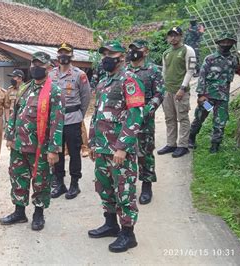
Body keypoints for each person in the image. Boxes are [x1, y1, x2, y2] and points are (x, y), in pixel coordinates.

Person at [87, 41, 145, 253]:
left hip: (119, 150)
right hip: (102, 149)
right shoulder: (103, 82)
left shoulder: (130, 80)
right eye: (104, 54)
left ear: (121, 57)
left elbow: (135, 115)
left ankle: (128, 234)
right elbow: (97, 115)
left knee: (124, 190)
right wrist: (93, 143)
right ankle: (110, 224)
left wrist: (122, 147)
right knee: (104, 188)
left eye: (111, 54)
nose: (106, 57)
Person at [0, 51, 64, 231]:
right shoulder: (24, 88)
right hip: (19, 145)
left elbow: (57, 122)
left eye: (40, 65)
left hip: (40, 147)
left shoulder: (54, 91)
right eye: (33, 64)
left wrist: (53, 149)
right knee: (18, 177)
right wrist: (10, 136)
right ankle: (19, 212)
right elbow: (14, 113)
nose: (36, 68)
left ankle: (38, 213)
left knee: (41, 181)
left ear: (49, 68)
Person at [189, 32, 240, 153]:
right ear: (219, 43)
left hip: (222, 99)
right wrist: (201, 95)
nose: (226, 44)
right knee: (200, 117)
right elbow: (202, 77)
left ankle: (215, 146)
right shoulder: (210, 59)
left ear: (232, 43)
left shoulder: (233, 59)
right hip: (208, 98)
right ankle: (191, 138)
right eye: (224, 42)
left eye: (229, 42)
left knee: (220, 122)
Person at [49, 42, 91, 200]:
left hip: (73, 119)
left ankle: (74, 184)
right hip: (55, 121)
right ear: (57, 55)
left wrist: (80, 113)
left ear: (72, 55)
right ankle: (59, 183)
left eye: (66, 53)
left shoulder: (79, 74)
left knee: (74, 153)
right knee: (57, 152)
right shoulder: (51, 74)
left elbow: (86, 96)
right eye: (61, 53)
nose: (63, 56)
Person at [126, 40, 166, 205]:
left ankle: (147, 184)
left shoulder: (153, 70)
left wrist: (149, 108)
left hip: (144, 119)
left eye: (138, 49)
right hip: (126, 118)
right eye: (132, 49)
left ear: (146, 51)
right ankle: (127, 184)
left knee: (145, 152)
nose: (134, 51)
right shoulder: (125, 70)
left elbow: (160, 92)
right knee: (126, 151)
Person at [158, 26, 196, 158]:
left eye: (176, 35)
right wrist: (162, 88)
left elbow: (190, 70)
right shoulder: (166, 53)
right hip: (167, 91)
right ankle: (171, 144)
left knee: (183, 117)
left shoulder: (188, 50)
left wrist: (182, 88)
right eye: (170, 35)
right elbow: (164, 71)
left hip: (181, 91)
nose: (173, 38)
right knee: (170, 118)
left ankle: (183, 145)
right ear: (168, 38)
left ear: (181, 36)